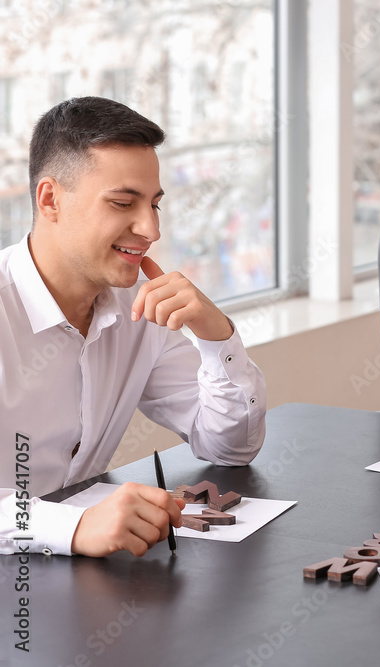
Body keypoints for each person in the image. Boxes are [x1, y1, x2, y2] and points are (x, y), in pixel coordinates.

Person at [0, 97, 266, 557]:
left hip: (77, 585)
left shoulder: (138, 306)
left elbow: (230, 447)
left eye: (154, 205)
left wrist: (215, 336)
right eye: (123, 202)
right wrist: (74, 525)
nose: (150, 229)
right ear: (50, 200)